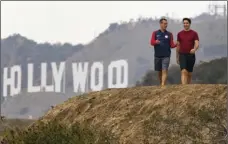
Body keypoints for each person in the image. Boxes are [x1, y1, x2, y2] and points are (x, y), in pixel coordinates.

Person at [150, 18, 176, 86]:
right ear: (160, 24)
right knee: (159, 71)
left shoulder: (169, 34)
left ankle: (163, 84)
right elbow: (151, 42)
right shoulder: (155, 33)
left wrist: (177, 44)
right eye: (164, 23)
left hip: (166, 55)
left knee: (164, 70)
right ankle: (161, 82)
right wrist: (155, 42)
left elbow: (172, 45)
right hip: (157, 55)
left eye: (166, 24)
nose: (165, 25)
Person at [176, 18, 199, 84]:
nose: (185, 24)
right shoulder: (179, 34)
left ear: (189, 24)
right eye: (184, 23)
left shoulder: (194, 33)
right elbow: (178, 46)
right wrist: (177, 57)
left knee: (189, 73)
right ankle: (184, 87)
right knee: (183, 71)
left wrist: (194, 49)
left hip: (191, 55)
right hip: (182, 54)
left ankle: (188, 87)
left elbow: (197, 43)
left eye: (187, 23)